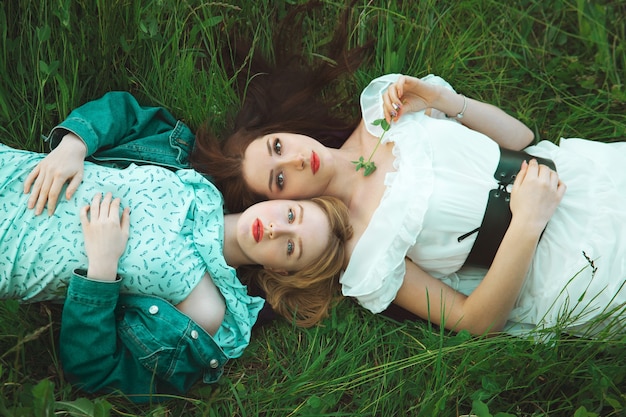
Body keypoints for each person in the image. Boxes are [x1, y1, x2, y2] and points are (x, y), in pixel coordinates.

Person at [191, 50, 626, 337]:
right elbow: (475, 323)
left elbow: (522, 138)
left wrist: (446, 100)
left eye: (278, 148)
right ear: (283, 202)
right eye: (279, 180)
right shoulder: (365, 249)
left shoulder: (384, 111)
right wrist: (527, 224)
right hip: (578, 266)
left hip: (587, 177)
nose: (295, 162)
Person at [2, 92, 352, 402]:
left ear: (280, 270)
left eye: (291, 247)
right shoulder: (188, 169)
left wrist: (101, 269)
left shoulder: (205, 308)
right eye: (292, 214)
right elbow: (124, 113)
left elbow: (97, 371)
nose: (275, 229)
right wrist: (73, 147)